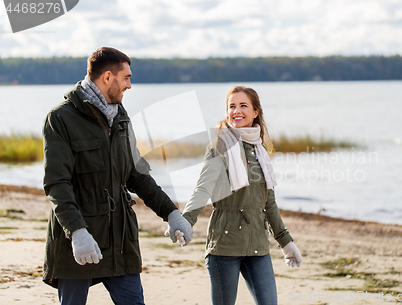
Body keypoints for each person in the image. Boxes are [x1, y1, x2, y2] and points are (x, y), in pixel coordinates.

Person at [42, 47, 192, 305]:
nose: (130, 85)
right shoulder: (60, 118)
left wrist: (172, 213)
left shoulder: (120, 116)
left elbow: (137, 174)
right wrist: (77, 232)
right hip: (79, 238)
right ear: (108, 77)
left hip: (121, 239)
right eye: (126, 77)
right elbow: (57, 184)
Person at [173, 86, 303, 305]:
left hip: (257, 246)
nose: (236, 111)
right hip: (224, 245)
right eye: (231, 106)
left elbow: (268, 204)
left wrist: (286, 243)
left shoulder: (260, 150)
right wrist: (186, 220)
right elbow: (203, 188)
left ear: (255, 112)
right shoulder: (220, 146)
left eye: (243, 105)